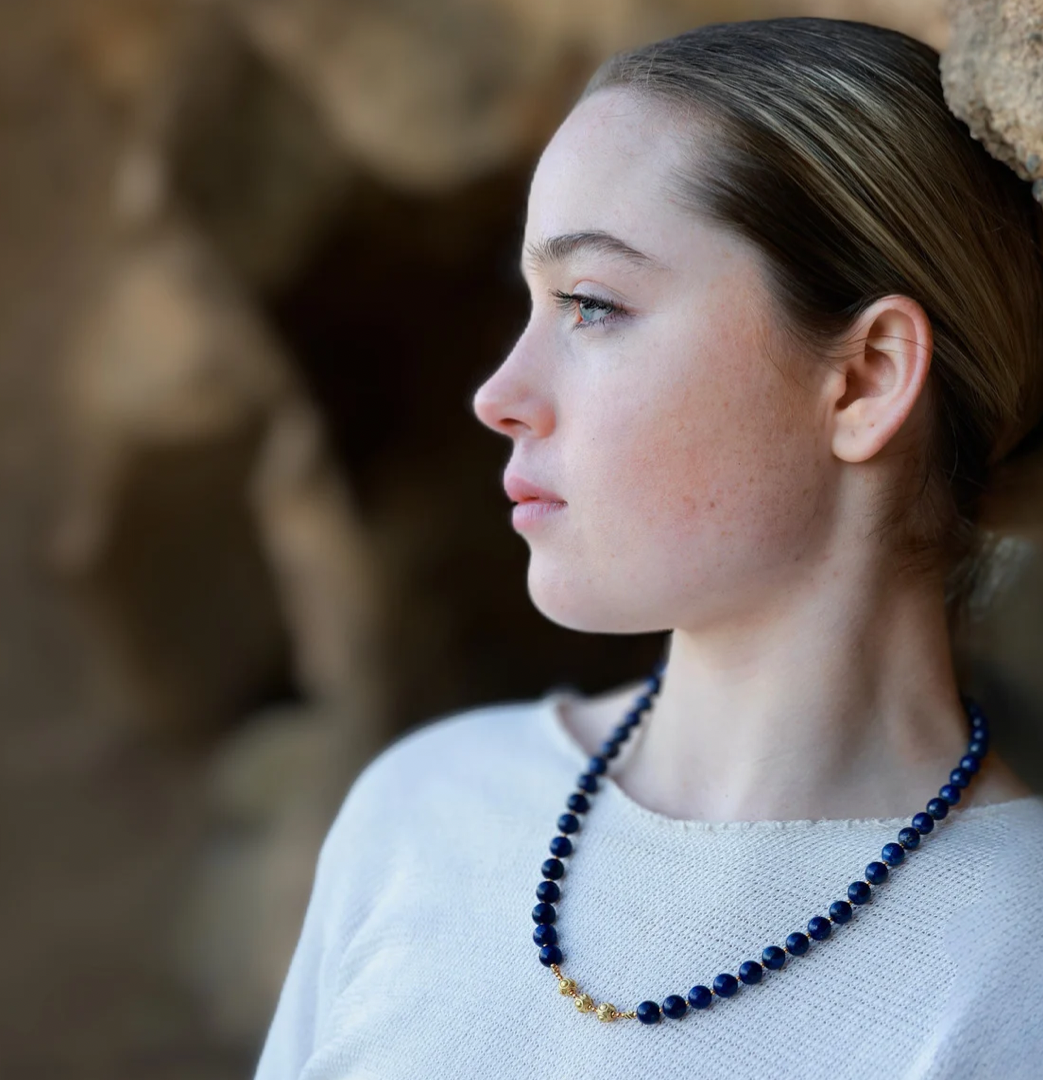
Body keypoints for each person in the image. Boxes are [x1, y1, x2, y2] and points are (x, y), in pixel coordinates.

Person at [253, 17, 1043, 1079]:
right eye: (530, 302)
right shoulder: (423, 815)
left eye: (590, 304)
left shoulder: (1014, 961)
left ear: (863, 380)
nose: (498, 397)